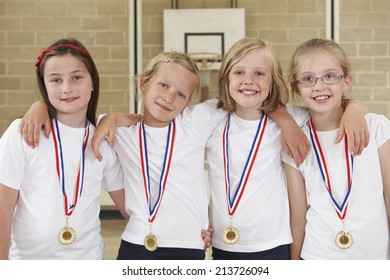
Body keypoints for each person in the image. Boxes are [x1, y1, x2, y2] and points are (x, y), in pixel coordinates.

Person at [203, 38, 370, 260]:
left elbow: (327, 107)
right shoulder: (211, 118)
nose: (249, 80)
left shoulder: (294, 117)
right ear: (225, 78)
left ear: (273, 81)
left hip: (276, 245)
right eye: (239, 72)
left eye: (260, 74)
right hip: (224, 245)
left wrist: (354, 108)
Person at [0, 38, 128, 260]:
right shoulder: (23, 133)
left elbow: (130, 209)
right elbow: (3, 207)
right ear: (44, 86)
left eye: (77, 77)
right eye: (56, 80)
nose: (67, 88)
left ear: (92, 81)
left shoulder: (103, 141)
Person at [282, 38, 390, 260]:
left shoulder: (377, 127)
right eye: (308, 79)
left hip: (374, 257)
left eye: (330, 76)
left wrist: (355, 108)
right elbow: (298, 214)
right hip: (318, 256)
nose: (319, 86)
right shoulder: (295, 142)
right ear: (296, 87)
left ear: (346, 80)